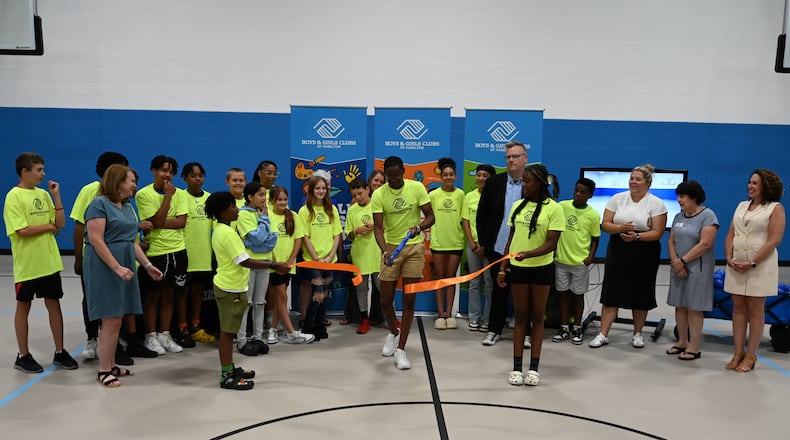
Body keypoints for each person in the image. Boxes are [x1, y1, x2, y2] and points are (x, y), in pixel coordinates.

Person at [83, 165, 164, 387]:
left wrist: (147, 265)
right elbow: (97, 240)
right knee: (110, 319)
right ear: (118, 182)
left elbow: (131, 241)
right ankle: (103, 370)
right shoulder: (99, 204)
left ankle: (110, 365)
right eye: (131, 181)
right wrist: (116, 267)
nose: (135, 185)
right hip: (104, 266)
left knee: (117, 318)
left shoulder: (128, 207)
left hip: (126, 263)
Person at [205, 191, 289, 390]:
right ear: (223, 211)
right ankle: (227, 376)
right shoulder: (226, 234)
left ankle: (230, 367)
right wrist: (274, 265)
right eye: (233, 206)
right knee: (227, 333)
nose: (237, 209)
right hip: (230, 289)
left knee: (229, 331)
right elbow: (244, 261)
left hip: (233, 287)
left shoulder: (223, 229)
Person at [4, 153, 78, 373]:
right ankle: (23, 355)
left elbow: (60, 223)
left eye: (43, 169)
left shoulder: (44, 194)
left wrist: (56, 196)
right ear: (25, 171)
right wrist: (48, 227)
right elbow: (22, 230)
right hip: (27, 264)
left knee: (54, 304)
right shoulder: (13, 197)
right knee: (23, 306)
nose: (43, 174)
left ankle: (60, 351)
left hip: (49, 262)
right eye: (39, 170)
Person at [498, 164, 564, 387]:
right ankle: (517, 367)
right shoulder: (517, 206)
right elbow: (511, 240)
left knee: (537, 318)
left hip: (541, 269)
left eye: (527, 181)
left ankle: (533, 368)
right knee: (520, 318)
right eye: (522, 181)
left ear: (540, 183)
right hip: (518, 269)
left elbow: (551, 244)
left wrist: (528, 253)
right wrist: (502, 267)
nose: (523, 185)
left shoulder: (554, 209)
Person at [589, 164, 667, 349]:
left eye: (638, 179)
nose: (633, 181)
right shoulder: (618, 198)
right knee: (611, 291)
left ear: (647, 182)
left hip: (645, 250)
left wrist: (637, 236)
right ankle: (603, 334)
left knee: (641, 290)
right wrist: (619, 228)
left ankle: (638, 334)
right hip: (618, 248)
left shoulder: (656, 203)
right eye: (632, 178)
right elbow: (605, 223)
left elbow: (657, 232)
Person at [371, 156, 435, 370]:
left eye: (398, 177)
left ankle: (401, 349)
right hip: (391, 248)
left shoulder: (416, 187)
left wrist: (419, 227)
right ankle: (393, 332)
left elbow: (430, 217)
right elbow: (378, 229)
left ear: (404, 171)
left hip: (414, 248)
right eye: (390, 178)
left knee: (409, 302)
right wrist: (384, 252)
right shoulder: (379, 194)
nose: (395, 181)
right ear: (385, 174)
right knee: (385, 301)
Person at [724, 169, 785, 372]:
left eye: (755, 183)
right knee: (738, 308)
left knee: (756, 310)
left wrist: (752, 262)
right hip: (736, 263)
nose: (750, 186)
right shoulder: (741, 206)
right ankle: (737, 352)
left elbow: (774, 240)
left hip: (760, 264)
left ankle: (751, 355)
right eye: (749, 182)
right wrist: (729, 257)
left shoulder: (775, 208)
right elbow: (731, 234)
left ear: (765, 186)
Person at [70, 151, 129, 361]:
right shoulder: (90, 192)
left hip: (119, 257)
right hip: (95, 258)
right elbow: (79, 225)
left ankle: (114, 343)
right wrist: (79, 258)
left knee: (116, 302)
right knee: (92, 299)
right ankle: (91, 338)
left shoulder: (123, 196)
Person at [476, 141, 529, 347]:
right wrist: (485, 244)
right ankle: (494, 330)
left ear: (525, 159)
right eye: (508, 157)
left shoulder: (533, 183)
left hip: (523, 250)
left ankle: (525, 333)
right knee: (498, 291)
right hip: (497, 248)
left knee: (524, 294)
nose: (511, 160)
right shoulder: (494, 182)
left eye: (515, 156)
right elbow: (482, 215)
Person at [136, 155, 188, 354]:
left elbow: (181, 222)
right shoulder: (143, 194)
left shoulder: (180, 194)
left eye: (171, 171)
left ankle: (165, 334)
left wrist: (160, 222)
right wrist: (167, 197)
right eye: (163, 170)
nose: (167, 174)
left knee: (170, 295)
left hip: (178, 250)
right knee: (152, 297)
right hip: (156, 252)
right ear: (154, 171)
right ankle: (151, 337)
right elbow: (153, 223)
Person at [666, 180, 719, 360]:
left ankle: (694, 346)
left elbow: (705, 244)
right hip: (678, 268)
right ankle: (682, 341)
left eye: (682, 196)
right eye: (678, 197)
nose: (679, 200)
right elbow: (671, 241)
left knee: (694, 307)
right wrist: (675, 261)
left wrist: (683, 261)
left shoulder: (708, 216)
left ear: (694, 197)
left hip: (698, 269)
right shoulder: (678, 216)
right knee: (680, 305)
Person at [552, 177, 601, 345]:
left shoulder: (593, 215)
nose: (578, 194)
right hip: (561, 261)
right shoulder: (562, 207)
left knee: (577, 296)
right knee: (563, 294)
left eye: (583, 192)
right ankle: (564, 327)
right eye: (576, 190)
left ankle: (577, 327)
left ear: (590, 195)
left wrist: (590, 257)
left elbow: (595, 238)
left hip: (580, 263)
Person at [266, 186, 314, 344]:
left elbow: (298, 239)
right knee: (282, 297)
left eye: (284, 199)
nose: (282, 202)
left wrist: (290, 261)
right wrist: (275, 263)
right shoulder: (267, 216)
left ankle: (272, 330)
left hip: (288, 265)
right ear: (271, 201)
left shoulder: (293, 215)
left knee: (281, 298)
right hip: (274, 265)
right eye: (279, 199)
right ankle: (291, 332)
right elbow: (265, 240)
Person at [235, 182, 278, 355]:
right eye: (260, 195)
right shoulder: (244, 215)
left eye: (265, 195)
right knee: (247, 303)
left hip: (265, 262)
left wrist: (259, 241)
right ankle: (242, 340)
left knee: (260, 302)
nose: (264, 199)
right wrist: (264, 221)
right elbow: (260, 239)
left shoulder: (266, 213)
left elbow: (272, 240)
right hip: (250, 262)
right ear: (250, 197)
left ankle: (259, 338)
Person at [298, 174, 342, 340]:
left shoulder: (332, 209)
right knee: (319, 293)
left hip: (330, 260)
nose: (321, 191)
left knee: (325, 293)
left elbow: (337, 234)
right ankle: (307, 327)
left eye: (324, 188)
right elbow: (304, 236)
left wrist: (331, 256)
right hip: (313, 261)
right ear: (311, 189)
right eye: (317, 188)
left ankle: (320, 326)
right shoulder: (304, 210)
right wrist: (316, 258)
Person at [180, 162, 216, 344]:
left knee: (197, 291)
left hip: (203, 255)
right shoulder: (179, 197)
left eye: (201, 175)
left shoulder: (209, 198)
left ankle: (195, 326)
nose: (197, 178)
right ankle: (181, 327)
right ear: (185, 178)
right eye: (193, 175)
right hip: (184, 253)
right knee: (182, 292)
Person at [429, 157, 466, 330]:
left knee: (451, 279)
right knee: (440, 279)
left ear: (455, 176)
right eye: (445, 174)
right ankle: (440, 314)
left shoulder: (460, 194)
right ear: (441, 177)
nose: (448, 177)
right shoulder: (433, 195)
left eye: (451, 174)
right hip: (438, 242)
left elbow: (464, 219)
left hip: (455, 242)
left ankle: (449, 315)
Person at [344, 177, 382, 334]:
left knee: (384, 289)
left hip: (378, 255)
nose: (357, 198)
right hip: (360, 256)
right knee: (361, 289)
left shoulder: (378, 205)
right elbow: (348, 234)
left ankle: (392, 318)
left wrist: (376, 226)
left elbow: (390, 226)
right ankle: (364, 320)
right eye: (354, 195)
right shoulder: (352, 210)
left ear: (367, 189)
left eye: (360, 193)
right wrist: (356, 231)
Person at [463, 164, 495, 331]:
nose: (481, 178)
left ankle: (487, 319)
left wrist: (486, 246)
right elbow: (466, 222)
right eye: (479, 175)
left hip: (490, 248)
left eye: (485, 175)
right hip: (473, 246)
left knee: (489, 283)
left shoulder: (496, 197)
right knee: (475, 282)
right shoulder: (469, 196)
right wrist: (473, 244)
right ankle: (474, 317)